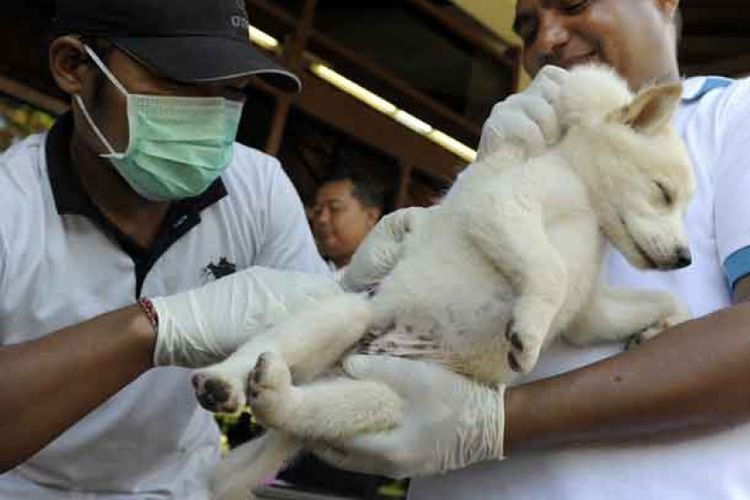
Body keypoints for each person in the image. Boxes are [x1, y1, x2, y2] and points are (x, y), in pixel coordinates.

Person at [310, 1, 750, 499]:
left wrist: (497, 423)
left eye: (574, 3)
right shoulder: (524, 148)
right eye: (527, 28)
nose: (546, 40)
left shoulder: (731, 115)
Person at [0, 0, 344, 497]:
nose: (208, 112)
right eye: (179, 81)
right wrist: (152, 329)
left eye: (230, 89)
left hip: (176, 484)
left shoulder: (257, 188)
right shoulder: (12, 207)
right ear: (73, 66)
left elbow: (322, 352)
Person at [311, 169, 384, 279]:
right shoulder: (304, 269)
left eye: (335, 208)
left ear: (370, 217)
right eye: (318, 211)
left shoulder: (391, 281)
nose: (322, 219)